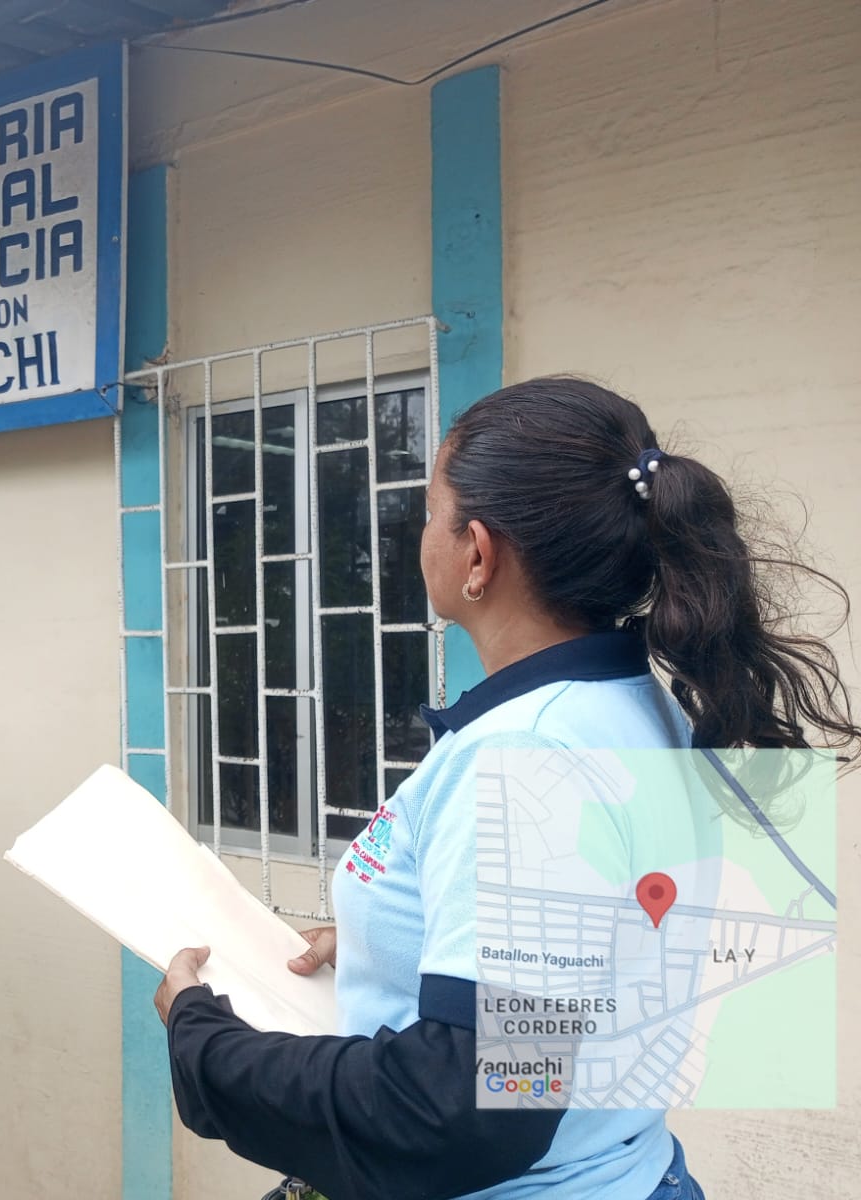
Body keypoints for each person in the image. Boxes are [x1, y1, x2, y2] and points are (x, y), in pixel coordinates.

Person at [153, 377, 859, 1200]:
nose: (420, 535)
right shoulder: (637, 705)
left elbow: (464, 1110)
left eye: (430, 512)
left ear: (478, 554)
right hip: (632, 1171)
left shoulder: (531, 751)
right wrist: (405, 942)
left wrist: (203, 1038)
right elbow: (600, 945)